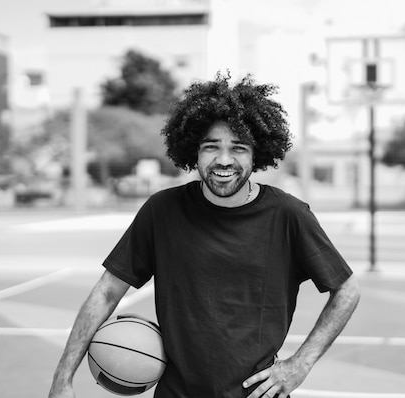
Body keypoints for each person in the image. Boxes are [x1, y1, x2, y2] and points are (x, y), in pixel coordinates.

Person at [49, 73, 360, 398]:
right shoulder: (162, 211)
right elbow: (106, 293)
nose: (224, 160)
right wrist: (63, 378)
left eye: (238, 148)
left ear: (257, 154)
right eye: (211, 147)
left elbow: (347, 290)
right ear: (193, 151)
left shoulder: (288, 215)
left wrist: (300, 364)